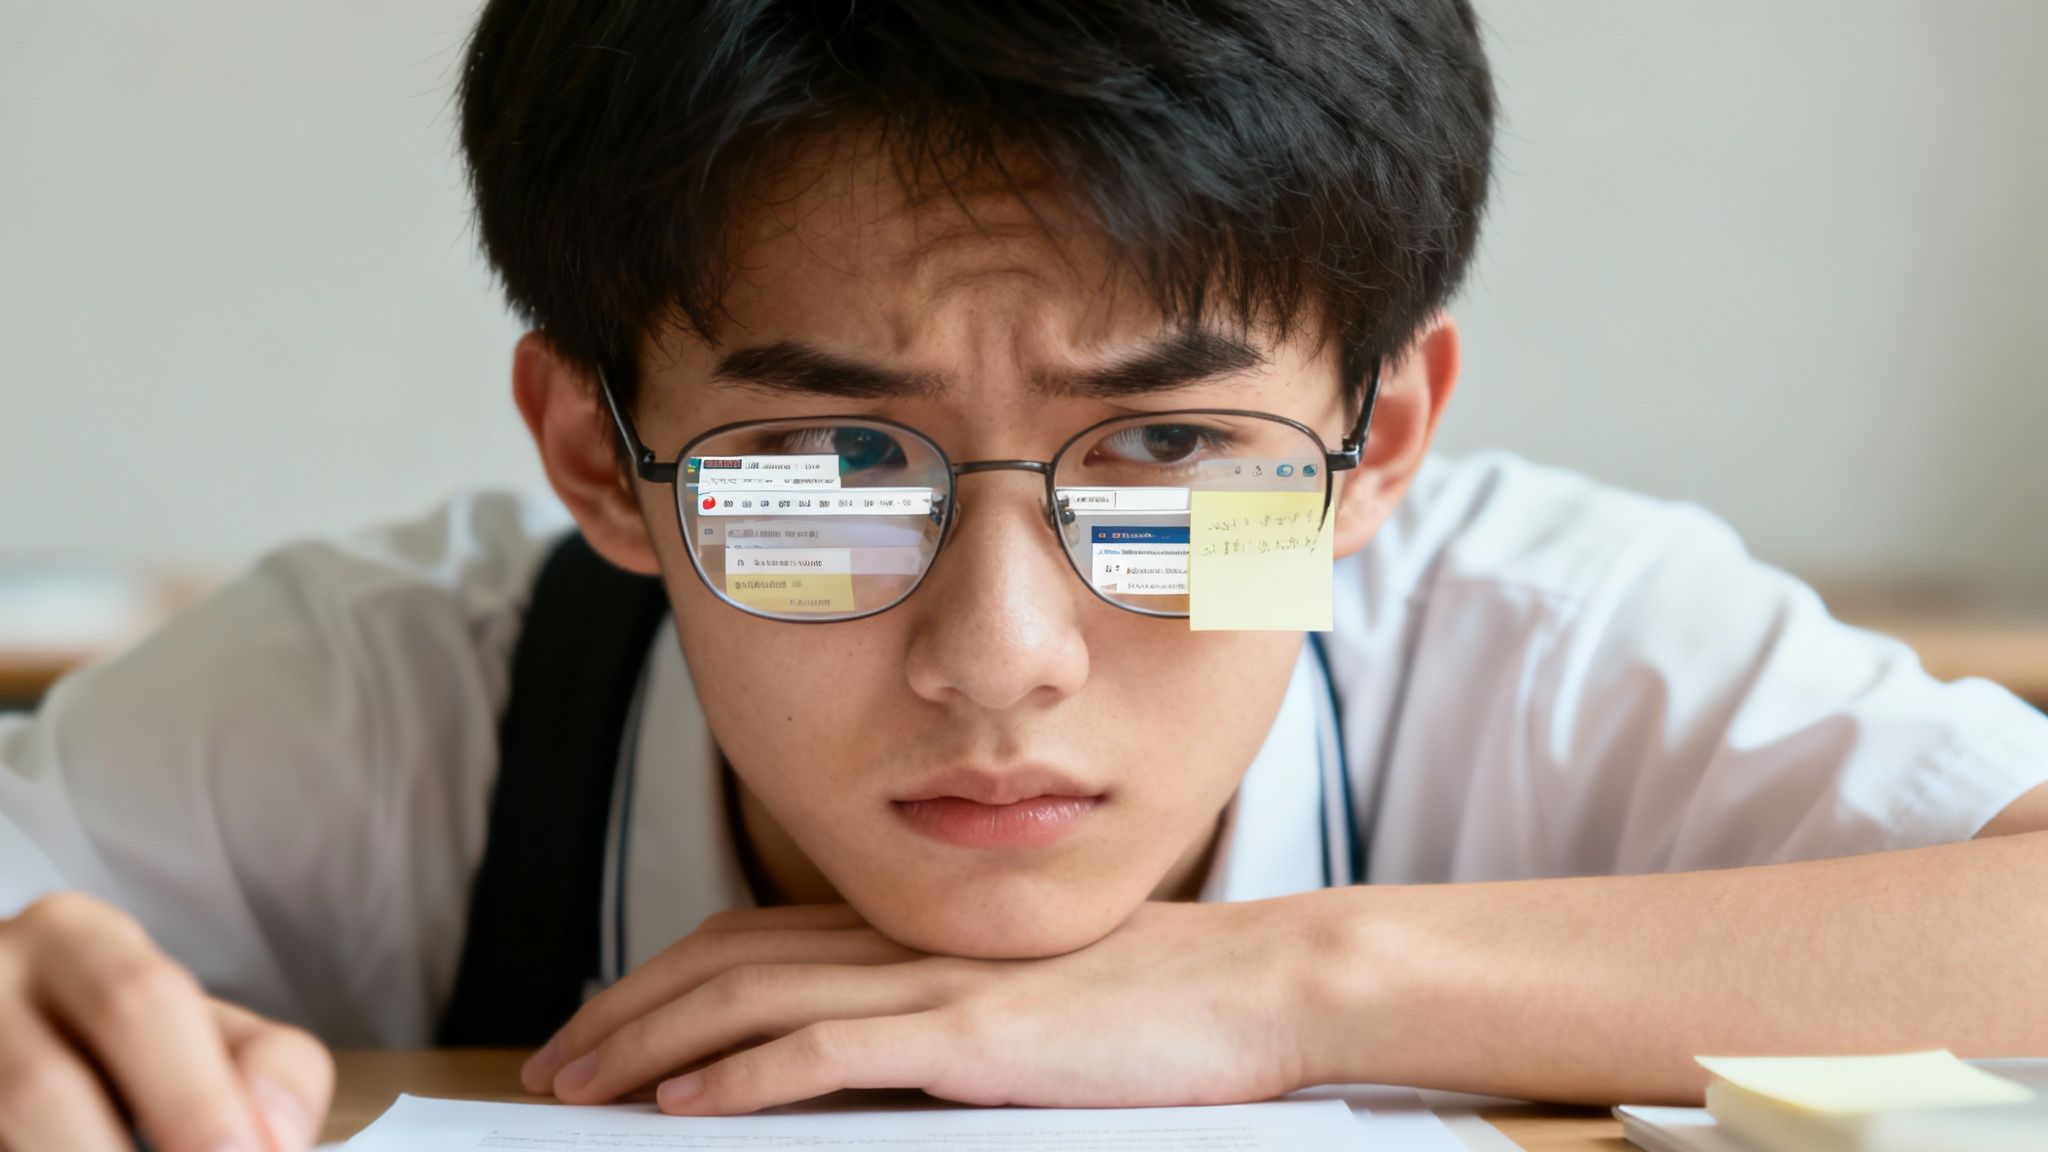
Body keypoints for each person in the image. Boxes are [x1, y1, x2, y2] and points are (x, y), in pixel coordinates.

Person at [5, 1, 2048, 1149]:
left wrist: (1283, 984)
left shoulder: (1544, 640)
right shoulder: (390, 697)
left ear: (1382, 449)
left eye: (1165, 450)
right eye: (823, 462)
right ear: (592, 456)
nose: (999, 659)